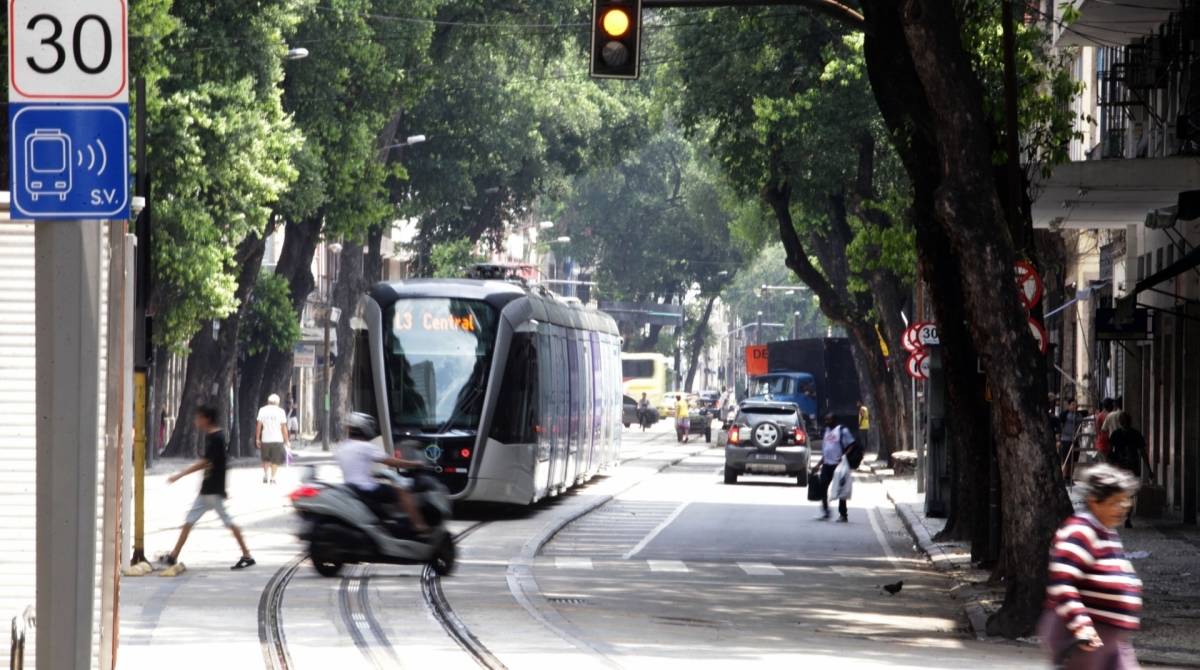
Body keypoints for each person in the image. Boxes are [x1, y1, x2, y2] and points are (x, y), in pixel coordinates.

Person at [1040, 464, 1142, 669]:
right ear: (1095, 501)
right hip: (1084, 638)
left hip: (1110, 637)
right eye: (1116, 501)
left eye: (1125, 500)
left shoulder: (1105, 531)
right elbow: (1063, 583)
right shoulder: (1080, 531)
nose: (1123, 506)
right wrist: (1081, 626)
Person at [162, 403, 255, 571]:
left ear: (206, 419)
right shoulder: (213, 436)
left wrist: (180, 475)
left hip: (213, 490)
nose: (196, 421)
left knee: (227, 521)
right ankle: (173, 555)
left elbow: (206, 462)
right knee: (189, 521)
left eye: (198, 418)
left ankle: (247, 554)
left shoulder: (216, 438)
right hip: (207, 490)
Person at [335, 412, 431, 535]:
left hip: (351, 489)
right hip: (366, 489)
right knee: (402, 490)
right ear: (365, 428)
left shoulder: (342, 447)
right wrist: (416, 463)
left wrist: (375, 474)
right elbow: (392, 462)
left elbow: (355, 468)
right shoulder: (366, 447)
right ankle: (419, 525)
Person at [1109, 413, 1151, 528]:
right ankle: (1127, 517)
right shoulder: (1135, 434)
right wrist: (1149, 469)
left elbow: (1110, 453)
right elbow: (1143, 453)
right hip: (1131, 467)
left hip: (1122, 468)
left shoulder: (1116, 434)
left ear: (1120, 422)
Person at [817, 413, 856, 522]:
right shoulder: (826, 431)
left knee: (841, 490)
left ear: (834, 420)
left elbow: (852, 444)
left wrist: (844, 456)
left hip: (838, 466)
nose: (826, 422)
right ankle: (826, 511)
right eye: (825, 420)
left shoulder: (842, 431)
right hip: (827, 464)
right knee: (822, 487)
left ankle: (843, 514)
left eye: (828, 420)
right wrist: (818, 464)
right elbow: (826, 450)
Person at [256, 393, 290, 484]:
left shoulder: (262, 410)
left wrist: (257, 439)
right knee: (275, 459)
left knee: (266, 458)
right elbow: (284, 427)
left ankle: (265, 475)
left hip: (265, 439)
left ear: (268, 402)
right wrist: (287, 440)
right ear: (277, 402)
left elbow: (259, 425)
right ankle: (273, 477)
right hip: (277, 439)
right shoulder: (281, 411)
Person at [1059, 399, 1083, 481]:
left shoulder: (1079, 415)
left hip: (1075, 440)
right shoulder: (1065, 415)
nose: (1075, 406)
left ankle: (1070, 477)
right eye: (1073, 404)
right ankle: (1065, 477)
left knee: (1074, 459)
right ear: (1069, 406)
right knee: (1066, 460)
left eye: (1076, 404)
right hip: (1066, 440)